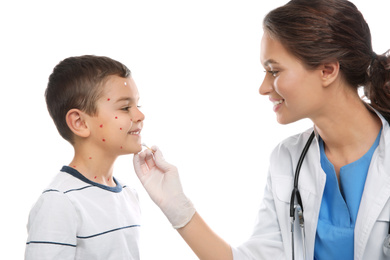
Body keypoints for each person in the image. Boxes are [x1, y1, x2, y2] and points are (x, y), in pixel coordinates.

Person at [133, 0, 390, 259]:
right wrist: (178, 208)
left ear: (327, 70)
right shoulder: (288, 159)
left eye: (274, 70)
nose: (263, 87)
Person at [25, 55, 145, 259]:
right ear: (79, 122)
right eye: (125, 107)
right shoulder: (60, 202)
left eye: (138, 106)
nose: (140, 116)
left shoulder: (128, 194)